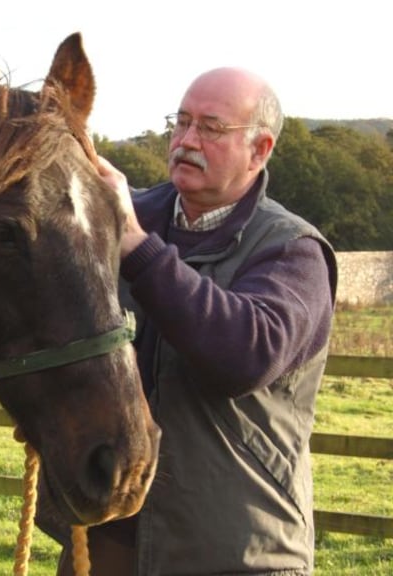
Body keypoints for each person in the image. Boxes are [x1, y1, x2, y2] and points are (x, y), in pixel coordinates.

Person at [44, 67, 339, 575]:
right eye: (180, 123)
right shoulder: (126, 214)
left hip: (236, 550)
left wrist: (137, 244)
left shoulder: (293, 250)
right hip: (107, 536)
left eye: (211, 127)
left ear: (260, 149)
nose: (186, 140)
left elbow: (243, 356)